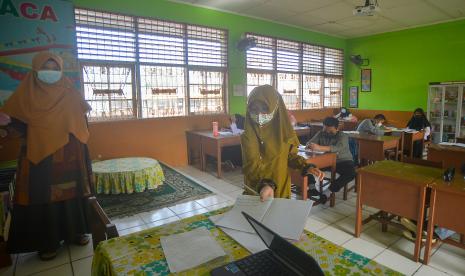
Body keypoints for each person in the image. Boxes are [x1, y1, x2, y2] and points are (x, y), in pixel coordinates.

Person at [0, 52, 93, 260]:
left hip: (70, 154)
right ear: (35, 70)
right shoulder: (26, 93)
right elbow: (14, 124)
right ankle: (47, 241)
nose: (50, 73)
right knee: (42, 196)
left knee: (72, 194)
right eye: (45, 68)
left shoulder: (70, 91)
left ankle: (76, 233)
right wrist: (7, 128)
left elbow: (82, 118)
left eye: (54, 69)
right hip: (39, 156)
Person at [241, 85, 324, 201]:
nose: (259, 114)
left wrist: (305, 166)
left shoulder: (284, 132)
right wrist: (264, 185)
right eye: (254, 110)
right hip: (258, 189)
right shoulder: (248, 136)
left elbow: (290, 156)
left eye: (264, 109)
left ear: (276, 108)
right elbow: (251, 165)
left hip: (281, 186)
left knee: (279, 216)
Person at [306, 117, 356, 195]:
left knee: (351, 173)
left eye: (331, 131)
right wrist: (310, 145)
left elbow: (337, 148)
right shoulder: (320, 133)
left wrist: (319, 148)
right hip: (326, 161)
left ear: (336, 128)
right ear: (323, 127)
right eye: (325, 130)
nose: (328, 133)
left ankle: (328, 192)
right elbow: (309, 143)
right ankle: (311, 188)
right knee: (307, 167)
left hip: (342, 161)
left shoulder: (342, 136)